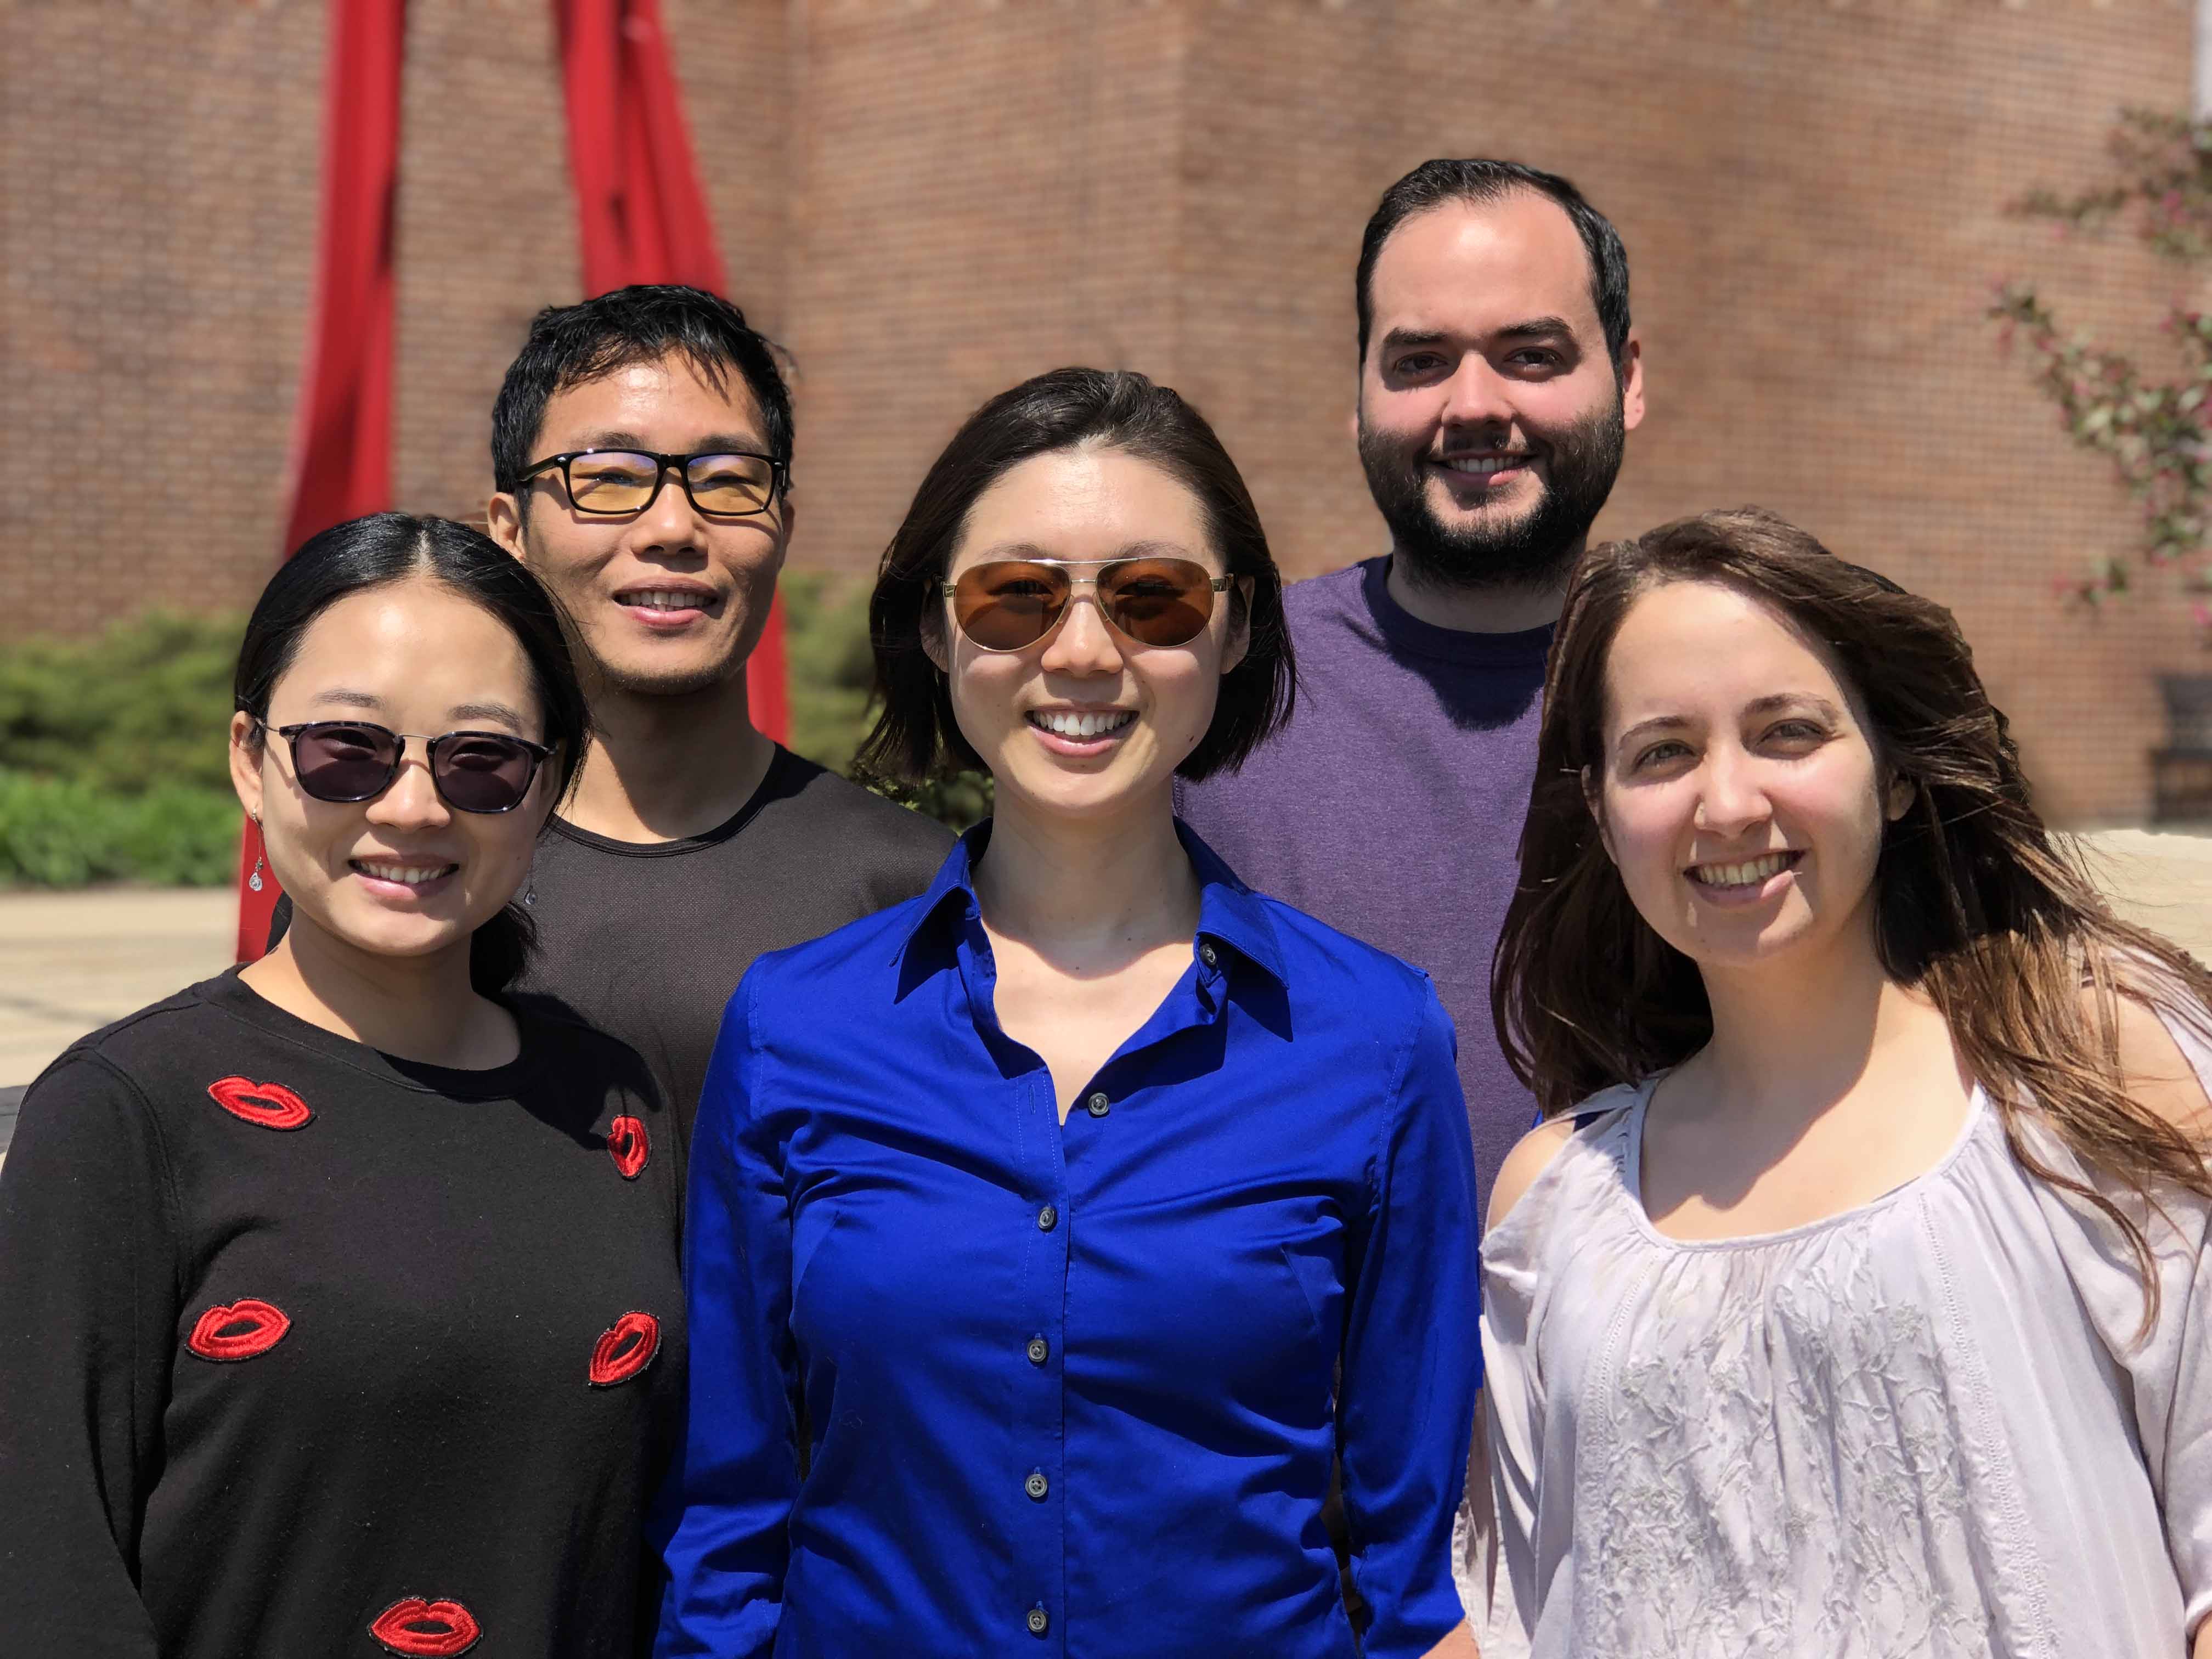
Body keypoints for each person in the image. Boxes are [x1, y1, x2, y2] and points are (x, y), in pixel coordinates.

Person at [655, 369, 1482, 1657]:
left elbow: (1406, 1568)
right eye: (1016, 597)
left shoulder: (1375, 1041)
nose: (1084, 650)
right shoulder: (796, 1028)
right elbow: (732, 1516)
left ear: (1237, 628)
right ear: (937, 633)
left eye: (1154, 598)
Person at [1471, 507, 2212, 1657]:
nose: (1726, 804)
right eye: (1663, 751)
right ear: (1605, 815)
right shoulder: (1555, 1203)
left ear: (1900, 772)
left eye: (1786, 733)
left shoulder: (2097, 1063)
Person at [0, 514, 685, 1657]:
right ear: (247, 761)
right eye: (346, 749)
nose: (412, 805)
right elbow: (42, 1564)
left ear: (547, 784)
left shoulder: (612, 1097)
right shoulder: (127, 1113)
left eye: (481, 760)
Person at [266, 285, 951, 1139]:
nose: (673, 526)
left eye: (730, 480)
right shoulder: (406, 855)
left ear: (783, 520)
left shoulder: (913, 888)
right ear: (509, 530)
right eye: (610, 478)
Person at [1176, 159, 1644, 1219]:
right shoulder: (1219, 686)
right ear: (1358, 397)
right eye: (1421, 360)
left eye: (1532, 354)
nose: (1473, 406)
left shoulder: (1732, 695)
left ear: (1629, 376)